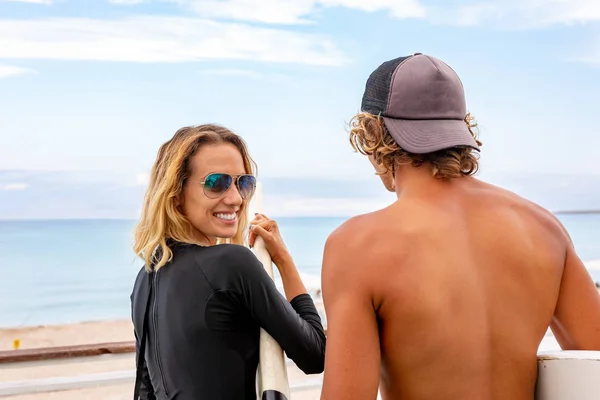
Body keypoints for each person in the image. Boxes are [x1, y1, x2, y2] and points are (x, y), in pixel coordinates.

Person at [319, 53, 600, 400]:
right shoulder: (543, 228)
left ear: (372, 132)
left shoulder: (357, 246)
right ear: (462, 128)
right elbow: (594, 360)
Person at [130, 124, 326, 399]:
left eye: (243, 183)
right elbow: (315, 353)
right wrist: (283, 259)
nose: (235, 198)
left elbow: (145, 390)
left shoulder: (145, 279)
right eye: (216, 183)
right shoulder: (232, 264)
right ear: (175, 194)